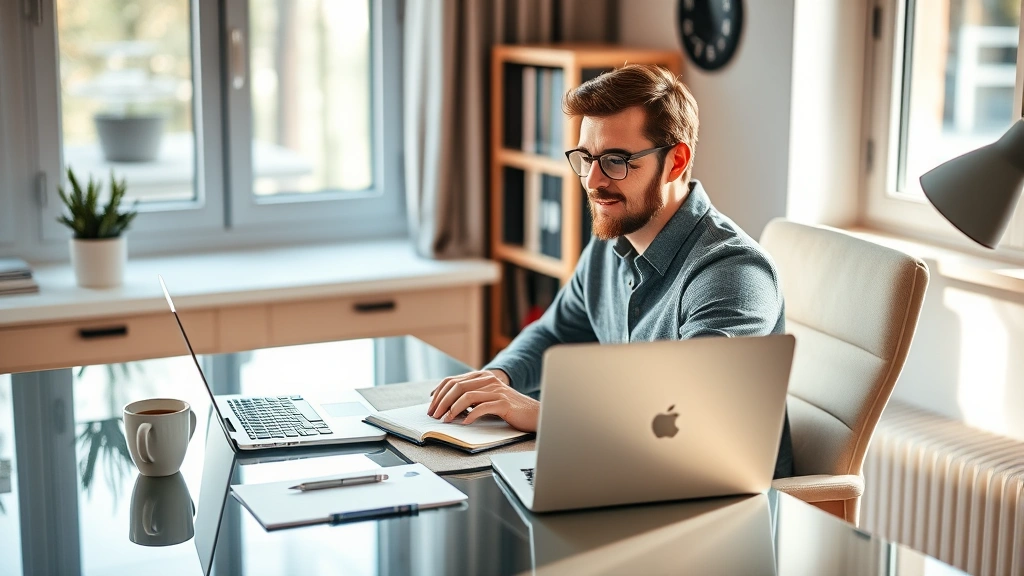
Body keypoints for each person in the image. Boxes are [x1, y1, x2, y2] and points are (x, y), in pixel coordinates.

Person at [426, 64, 793, 478]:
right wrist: (498, 378)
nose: (594, 181)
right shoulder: (612, 242)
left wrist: (541, 413)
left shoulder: (733, 274)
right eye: (586, 158)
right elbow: (555, 333)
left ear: (676, 161)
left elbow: (688, 418)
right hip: (630, 475)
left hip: (709, 504)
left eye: (616, 161)